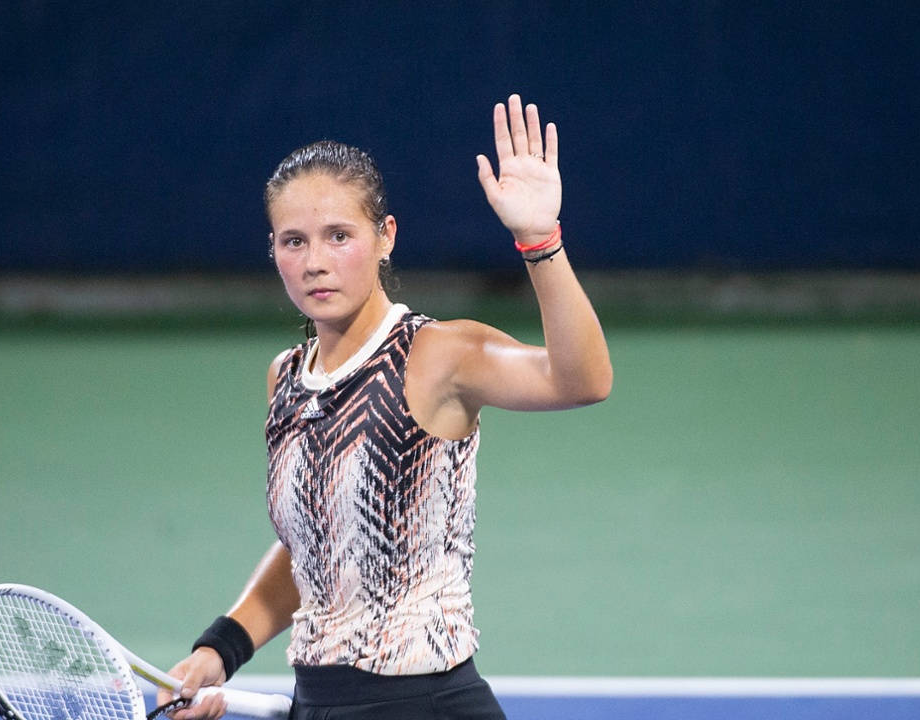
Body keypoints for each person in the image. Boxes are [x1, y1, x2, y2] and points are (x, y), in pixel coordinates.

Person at [158, 94, 612, 720]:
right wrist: (221, 648)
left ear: (385, 238)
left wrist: (539, 240)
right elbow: (316, 549)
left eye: (339, 236)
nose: (315, 261)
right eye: (294, 241)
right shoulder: (286, 379)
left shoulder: (439, 354)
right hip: (318, 702)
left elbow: (583, 379)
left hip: (426, 703)